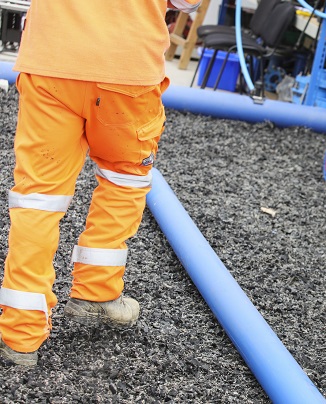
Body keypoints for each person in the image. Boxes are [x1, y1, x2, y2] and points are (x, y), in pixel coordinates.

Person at [0, 0, 201, 366]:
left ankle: (20, 337)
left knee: (38, 199)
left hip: (50, 61)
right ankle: (96, 292)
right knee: (123, 181)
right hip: (126, 66)